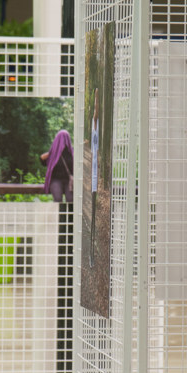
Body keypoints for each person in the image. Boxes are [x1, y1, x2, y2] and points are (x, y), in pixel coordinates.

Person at [41, 130, 74, 203]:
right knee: (58, 199)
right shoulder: (53, 153)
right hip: (56, 180)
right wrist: (42, 157)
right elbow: (44, 162)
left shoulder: (72, 153)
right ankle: (60, 215)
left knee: (70, 199)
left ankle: (69, 215)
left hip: (69, 180)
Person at [90, 88, 100, 267]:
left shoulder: (97, 132)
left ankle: (93, 254)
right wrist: (96, 96)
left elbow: (96, 112)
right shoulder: (93, 130)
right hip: (93, 179)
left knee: (94, 213)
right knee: (92, 213)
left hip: (95, 179)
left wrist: (97, 96)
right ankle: (91, 255)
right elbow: (95, 114)